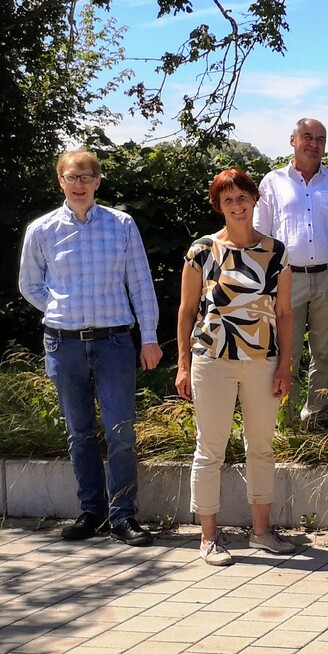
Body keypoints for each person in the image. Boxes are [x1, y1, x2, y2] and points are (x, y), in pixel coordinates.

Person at [19, 150, 162, 547]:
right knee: (79, 433)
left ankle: (123, 516)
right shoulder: (42, 230)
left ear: (98, 182)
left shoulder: (122, 225)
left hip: (115, 341)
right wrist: (59, 307)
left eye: (86, 177)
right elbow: (29, 285)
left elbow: (140, 284)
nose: (79, 184)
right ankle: (92, 511)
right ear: (60, 182)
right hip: (63, 344)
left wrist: (148, 337)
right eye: (71, 177)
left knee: (120, 431)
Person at [177, 169, 298, 565]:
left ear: (254, 198)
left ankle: (261, 531)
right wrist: (182, 364)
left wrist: (285, 366)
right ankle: (209, 537)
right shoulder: (202, 251)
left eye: (242, 196)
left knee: (261, 447)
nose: (236, 205)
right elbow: (186, 310)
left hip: (263, 360)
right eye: (227, 199)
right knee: (210, 449)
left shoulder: (276, 252)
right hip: (211, 359)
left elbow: (284, 313)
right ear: (219, 205)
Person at [253, 118, 328, 431]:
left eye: (320, 139)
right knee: (286, 352)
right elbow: (261, 236)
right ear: (293, 140)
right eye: (307, 136)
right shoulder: (273, 182)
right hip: (288, 279)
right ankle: (284, 421)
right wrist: (263, 285)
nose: (314, 144)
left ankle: (318, 417)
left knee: (325, 353)